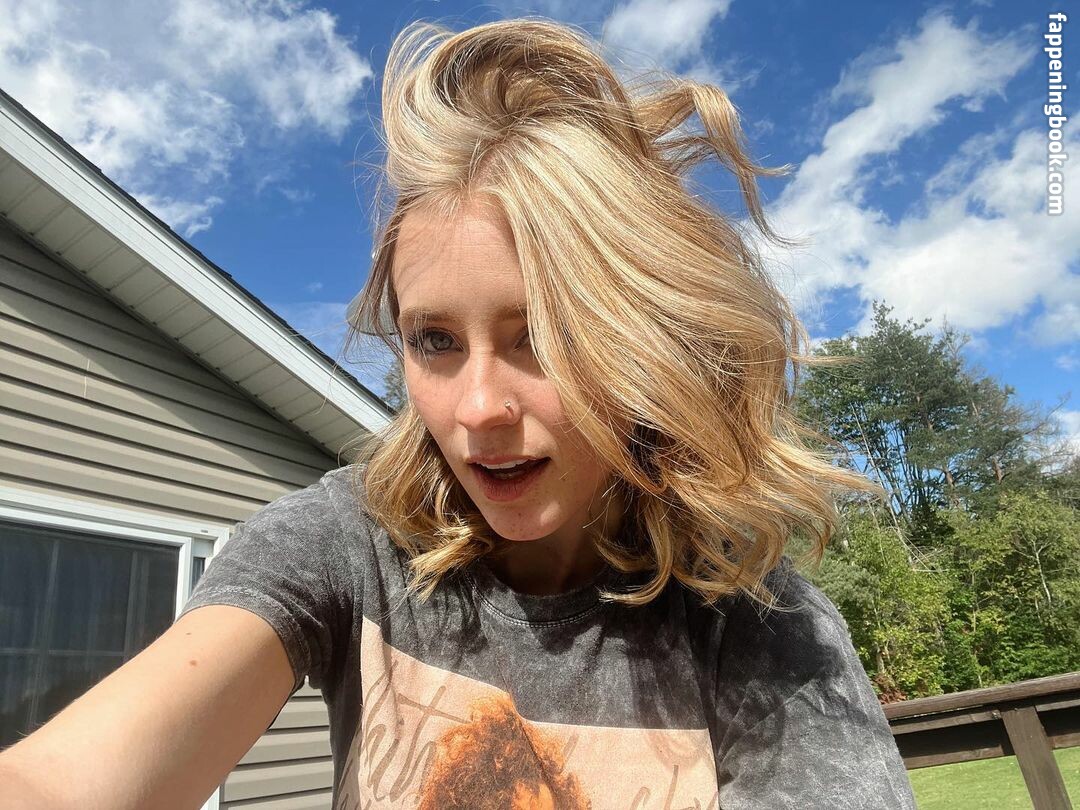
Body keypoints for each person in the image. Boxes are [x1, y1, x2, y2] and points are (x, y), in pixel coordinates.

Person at [0, 16, 917, 810]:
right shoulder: (349, 546)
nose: (478, 409)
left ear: (644, 340)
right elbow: (63, 782)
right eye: (434, 341)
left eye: (542, 335)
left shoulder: (755, 623)